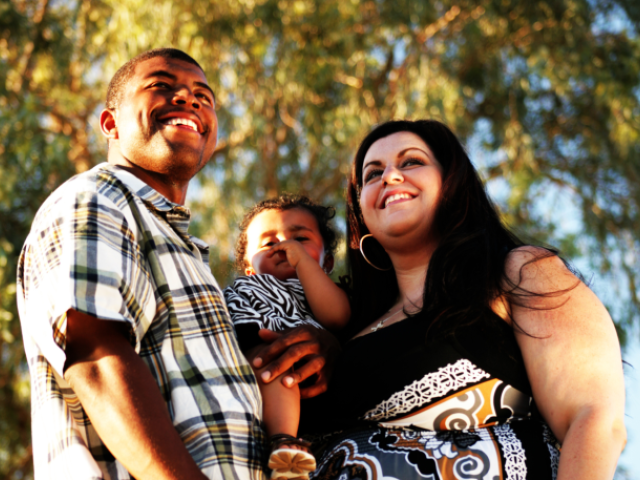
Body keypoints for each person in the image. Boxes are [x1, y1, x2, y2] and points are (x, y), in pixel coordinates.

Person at [17, 48, 336, 480]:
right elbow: (95, 357)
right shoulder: (96, 199)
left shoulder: (192, 259)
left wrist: (311, 351)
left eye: (203, 97)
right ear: (110, 122)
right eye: (162, 86)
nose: (188, 99)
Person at [289, 120, 626, 479]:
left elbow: (593, 420)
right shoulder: (345, 327)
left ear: (452, 183)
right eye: (372, 174)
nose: (388, 177)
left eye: (411, 162)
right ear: (361, 214)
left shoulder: (517, 272)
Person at [224, 195, 350, 480]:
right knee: (275, 365)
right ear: (248, 267)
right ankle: (283, 442)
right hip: (263, 353)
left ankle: (288, 451)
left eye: (301, 239)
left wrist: (305, 265)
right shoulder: (249, 286)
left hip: (319, 385)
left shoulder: (320, 288)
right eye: (268, 243)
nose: (283, 246)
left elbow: (336, 317)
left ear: (327, 261)